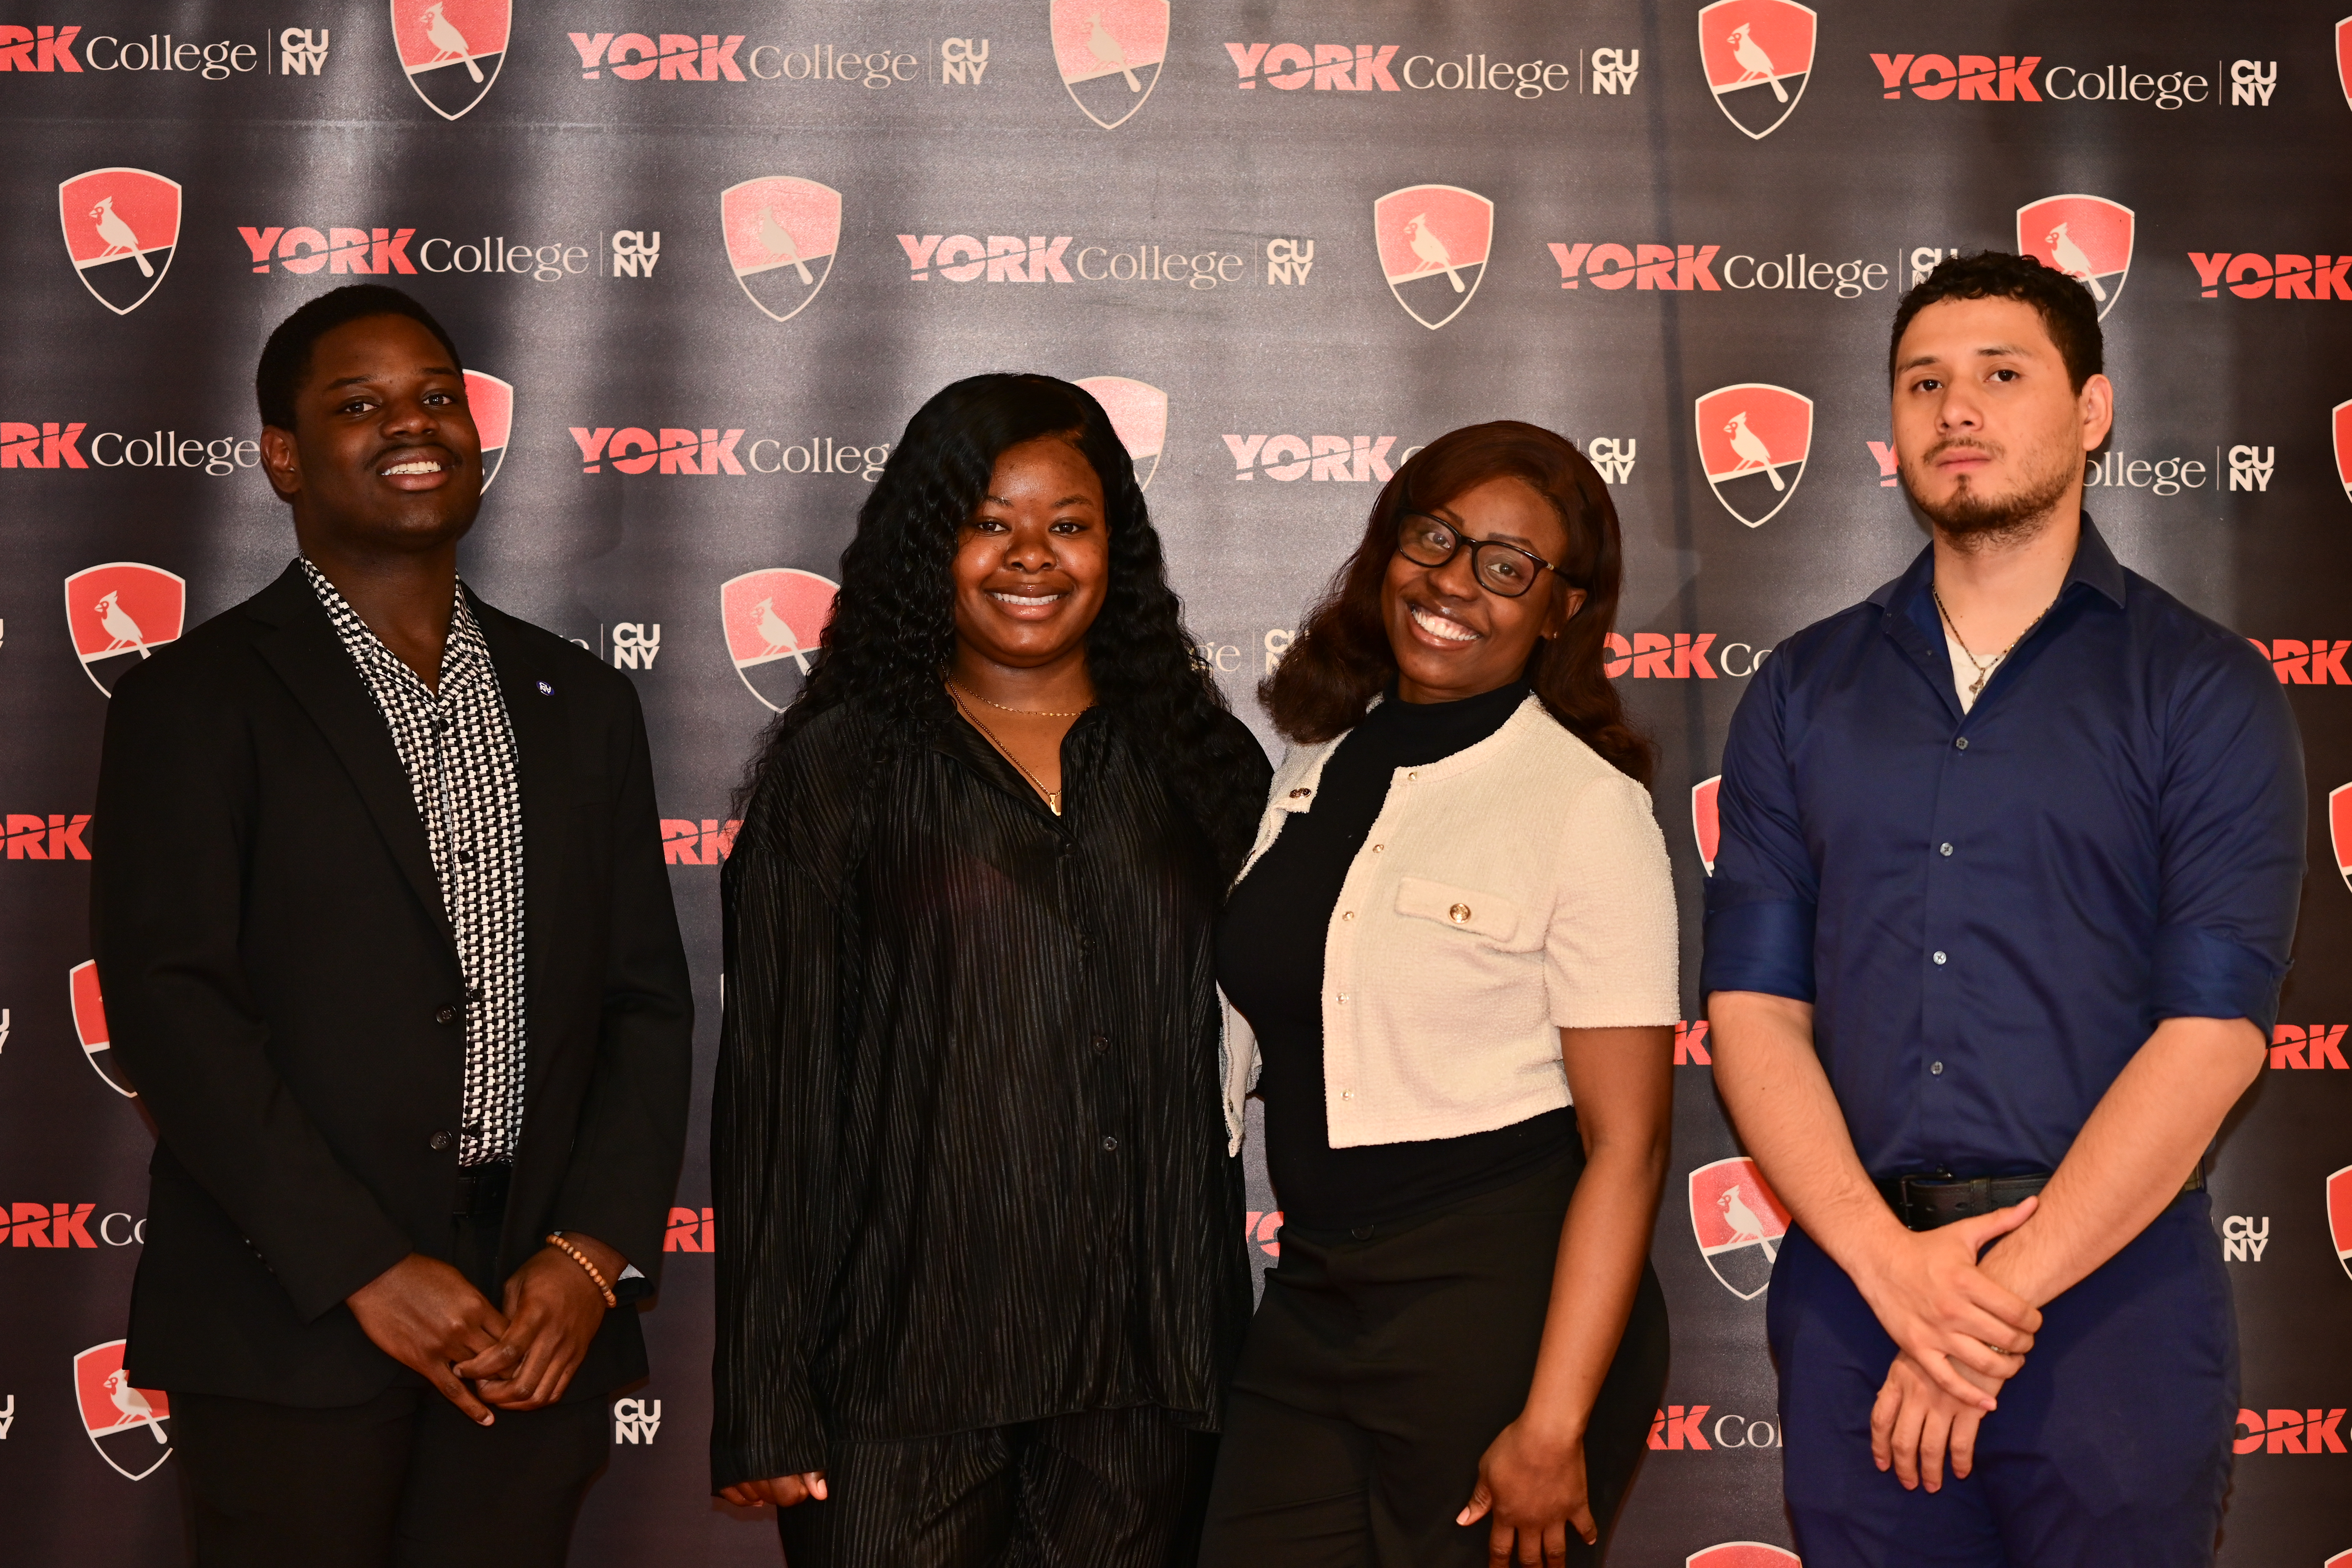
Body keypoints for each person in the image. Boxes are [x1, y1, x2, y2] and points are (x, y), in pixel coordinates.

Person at [1703, 252, 2303, 1567]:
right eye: (1925, 382)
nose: (1957, 407)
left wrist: (1986, 1302)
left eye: (2001, 373)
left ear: (2091, 411)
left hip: (2112, 1298)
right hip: (1859, 1288)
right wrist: (1891, 1269)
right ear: (1894, 426)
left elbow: (2213, 1034)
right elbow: (1752, 1007)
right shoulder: (1801, 691)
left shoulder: (2203, 689)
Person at [90, 284, 694, 1568]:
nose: (410, 424)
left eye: (434, 395)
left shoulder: (581, 703)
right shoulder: (193, 702)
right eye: (356, 404)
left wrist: (587, 1258)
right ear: (284, 457)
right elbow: (171, 1006)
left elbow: (644, 1003)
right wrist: (366, 1263)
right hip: (291, 1316)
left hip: (534, 1321)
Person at [710, 373, 1272, 1565]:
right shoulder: (840, 772)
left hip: (1147, 1384)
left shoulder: (1200, 762)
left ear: (1116, 544)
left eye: (1069, 524)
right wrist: (765, 1393)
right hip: (899, 1381)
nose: (1033, 556)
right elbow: (778, 1095)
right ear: (933, 544)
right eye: (989, 521)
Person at [1197, 422, 1677, 1568]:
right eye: (1437, 537)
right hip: (1315, 1293)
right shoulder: (1315, 766)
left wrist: (1555, 1421)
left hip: (1501, 1310)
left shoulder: (1587, 804)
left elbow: (1632, 1143)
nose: (1456, 582)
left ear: (1561, 607)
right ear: (1389, 544)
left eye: (1508, 565)